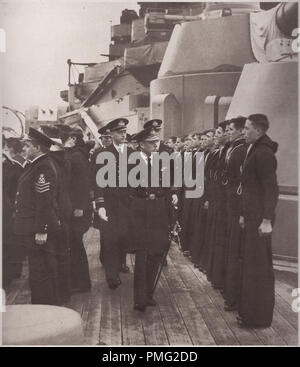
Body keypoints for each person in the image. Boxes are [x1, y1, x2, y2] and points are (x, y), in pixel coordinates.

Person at [129, 128, 178, 311]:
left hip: (158, 212)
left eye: (157, 141)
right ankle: (140, 298)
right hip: (141, 212)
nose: (156, 145)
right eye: (151, 142)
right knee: (143, 255)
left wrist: (171, 216)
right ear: (141, 144)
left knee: (157, 253)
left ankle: (149, 293)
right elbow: (127, 191)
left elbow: (166, 189)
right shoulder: (131, 162)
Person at [237, 113, 279, 327]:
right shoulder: (254, 149)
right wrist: (245, 214)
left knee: (259, 268)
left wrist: (266, 220)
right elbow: (250, 188)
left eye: (246, 128)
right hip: (252, 217)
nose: (243, 132)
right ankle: (249, 313)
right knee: (251, 265)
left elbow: (271, 189)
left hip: (260, 220)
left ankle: (259, 317)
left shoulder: (263, 154)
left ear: (259, 131)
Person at [13, 128, 62, 305]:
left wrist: (42, 230)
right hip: (31, 227)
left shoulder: (43, 166)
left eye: (26, 146)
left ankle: (45, 307)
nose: (23, 149)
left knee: (41, 272)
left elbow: (44, 202)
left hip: (37, 229)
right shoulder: (36, 164)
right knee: (39, 271)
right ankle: (45, 305)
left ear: (37, 147)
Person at [95, 118, 134, 289]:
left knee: (124, 237)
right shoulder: (101, 154)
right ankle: (112, 276)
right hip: (109, 205)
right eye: (120, 132)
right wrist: (100, 204)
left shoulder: (133, 153)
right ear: (110, 134)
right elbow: (97, 182)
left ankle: (120, 263)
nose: (123, 135)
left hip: (128, 204)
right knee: (109, 239)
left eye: (125, 131)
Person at [223, 117, 247, 311]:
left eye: (231, 129)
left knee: (235, 250)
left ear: (239, 131)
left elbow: (238, 181)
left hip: (236, 206)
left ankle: (233, 295)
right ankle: (230, 292)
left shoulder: (239, 151)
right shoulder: (236, 149)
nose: (228, 132)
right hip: (232, 204)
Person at [64, 128, 92, 293]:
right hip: (75, 206)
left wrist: (80, 207)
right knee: (74, 243)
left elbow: (82, 183)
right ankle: (78, 281)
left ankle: (81, 283)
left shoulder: (77, 156)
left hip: (78, 208)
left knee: (75, 243)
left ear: (72, 138)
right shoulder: (76, 154)